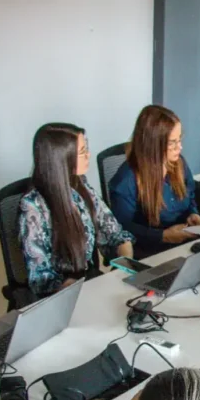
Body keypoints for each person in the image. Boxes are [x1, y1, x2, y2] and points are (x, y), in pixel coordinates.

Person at [19, 123, 134, 298]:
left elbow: (116, 236)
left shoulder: (81, 187)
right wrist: (82, 289)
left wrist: (125, 266)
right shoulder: (32, 207)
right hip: (61, 297)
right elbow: (41, 278)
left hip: (91, 283)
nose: (88, 155)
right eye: (82, 152)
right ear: (61, 159)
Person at [109, 106, 200, 258]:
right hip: (149, 250)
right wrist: (163, 236)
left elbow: (190, 194)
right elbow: (122, 229)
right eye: (172, 143)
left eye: (180, 139)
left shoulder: (178, 163)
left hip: (183, 243)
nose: (180, 147)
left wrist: (192, 213)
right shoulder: (126, 180)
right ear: (153, 144)